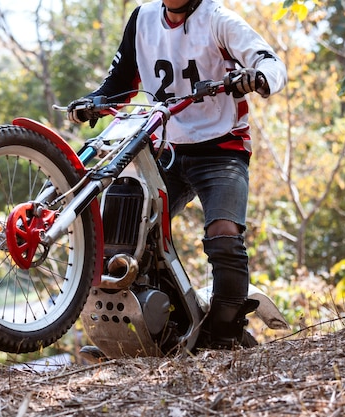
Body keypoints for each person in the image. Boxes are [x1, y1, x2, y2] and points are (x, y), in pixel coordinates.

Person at [67, 0, 287, 350]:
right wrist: (94, 101)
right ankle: (153, 328)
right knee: (125, 230)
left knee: (224, 236)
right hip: (165, 149)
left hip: (221, 148)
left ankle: (224, 336)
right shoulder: (142, 19)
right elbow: (119, 83)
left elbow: (271, 62)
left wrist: (256, 78)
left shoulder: (218, 20)